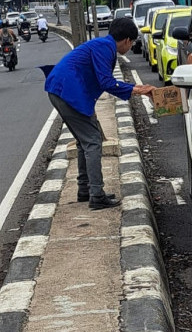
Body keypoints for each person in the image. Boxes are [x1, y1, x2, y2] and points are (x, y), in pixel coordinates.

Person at [44, 17, 156, 210]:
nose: (130, 47)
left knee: (84, 140)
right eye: (132, 43)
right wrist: (137, 90)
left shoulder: (103, 45)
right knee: (93, 141)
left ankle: (85, 189)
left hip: (61, 89)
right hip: (67, 92)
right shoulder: (105, 48)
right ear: (127, 40)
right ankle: (97, 195)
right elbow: (106, 82)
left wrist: (135, 89)